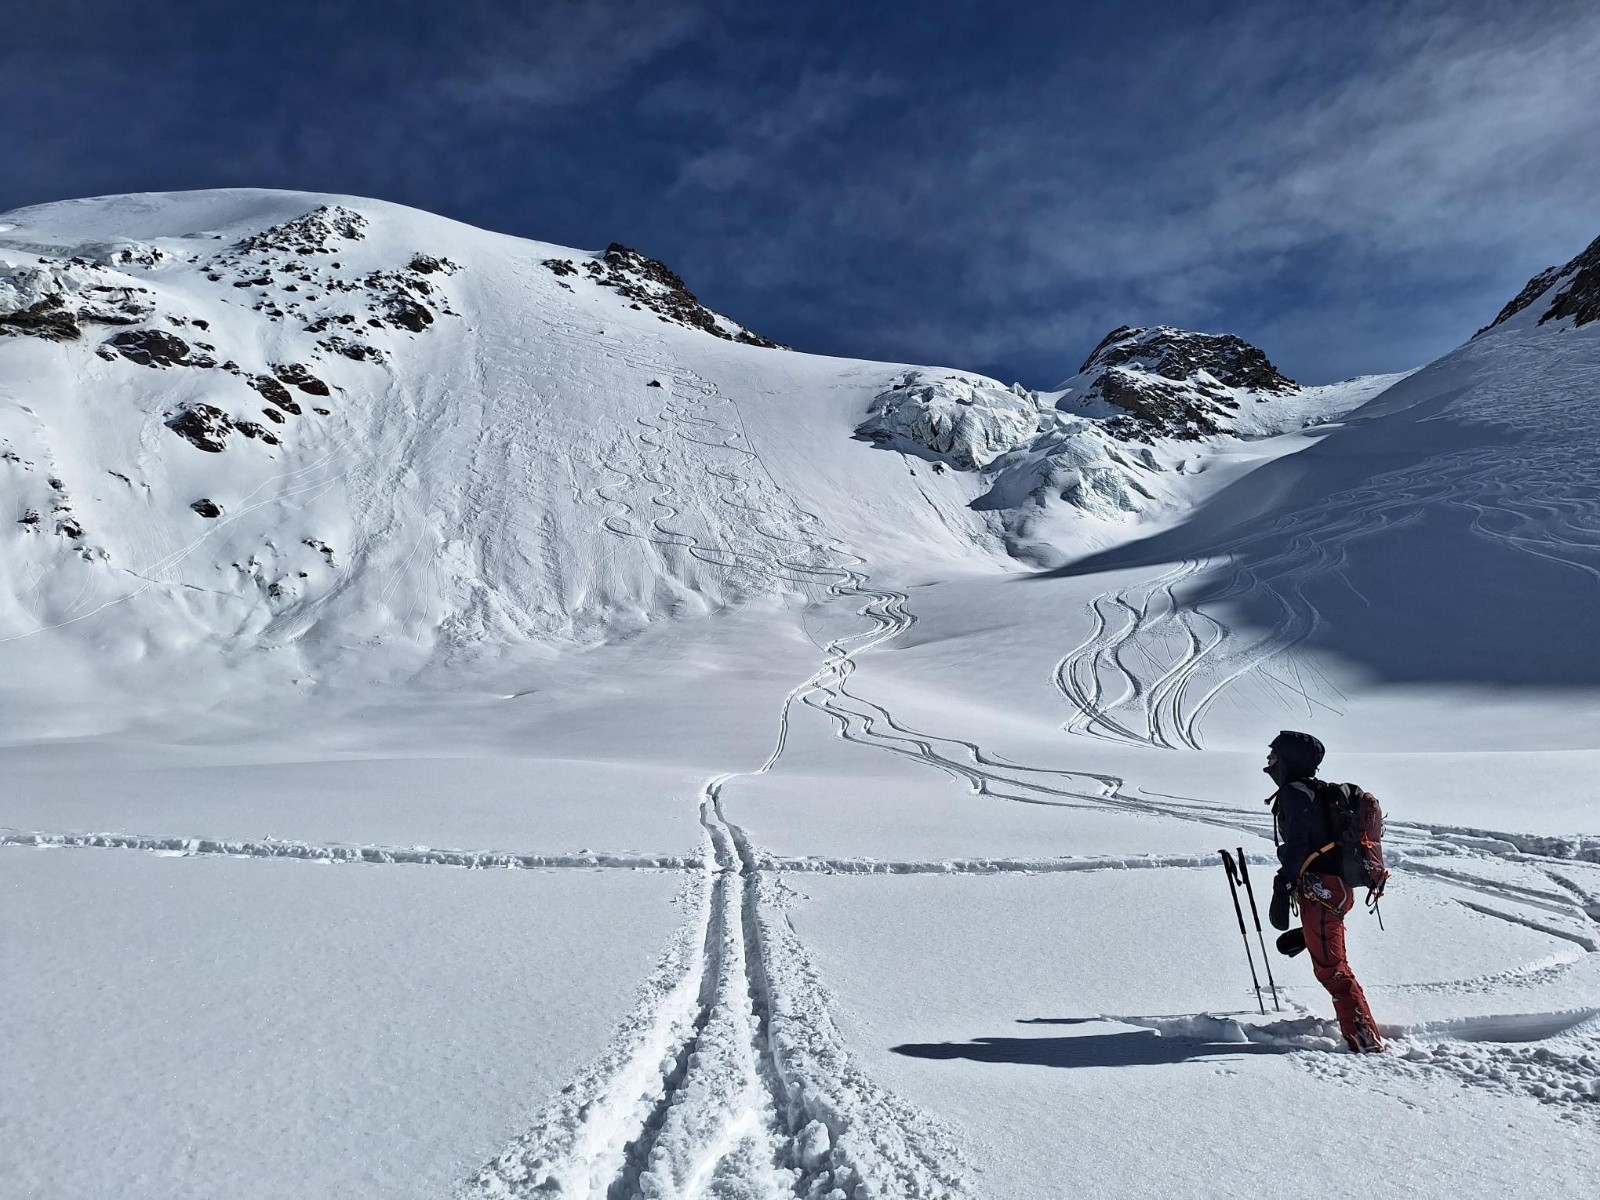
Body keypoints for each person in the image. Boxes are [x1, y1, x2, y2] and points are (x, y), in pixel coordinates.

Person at [1264, 730, 1384, 1053]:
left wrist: (1283, 884)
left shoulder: (1295, 794)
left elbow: (1298, 846)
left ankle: (1365, 1041)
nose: (1269, 763)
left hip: (1322, 893)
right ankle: (1312, 936)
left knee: (1332, 970)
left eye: (1274, 757)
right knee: (1332, 961)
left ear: (1289, 761)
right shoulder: (1317, 792)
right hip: (1335, 891)